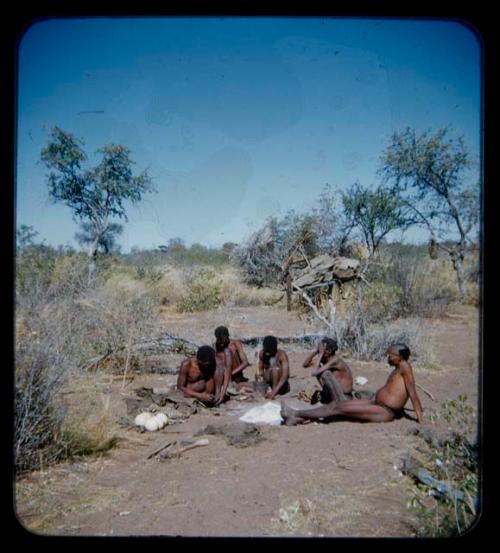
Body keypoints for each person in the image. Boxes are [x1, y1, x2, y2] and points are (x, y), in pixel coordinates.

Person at [281, 342, 424, 425]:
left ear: (399, 357)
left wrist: (421, 420)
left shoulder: (405, 367)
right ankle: (297, 417)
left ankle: (295, 414)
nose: (389, 357)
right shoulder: (399, 367)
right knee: (335, 406)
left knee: (338, 409)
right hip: (375, 402)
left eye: (391, 355)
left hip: (385, 411)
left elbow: (413, 394)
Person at [302, 337, 353, 403]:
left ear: (329, 351)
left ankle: (330, 399)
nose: (321, 349)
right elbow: (305, 365)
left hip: (343, 396)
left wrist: (320, 354)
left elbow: (314, 373)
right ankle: (328, 396)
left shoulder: (335, 360)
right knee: (319, 368)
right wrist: (316, 352)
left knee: (325, 373)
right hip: (335, 392)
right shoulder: (325, 358)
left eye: (323, 348)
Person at [258, 335, 290, 400]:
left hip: (280, 384)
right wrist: (259, 379)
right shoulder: (262, 354)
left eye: (269, 351)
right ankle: (268, 390)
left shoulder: (281, 355)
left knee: (274, 367)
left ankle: (274, 391)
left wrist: (275, 390)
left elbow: (285, 376)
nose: (267, 353)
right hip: (268, 382)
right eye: (266, 350)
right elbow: (260, 372)